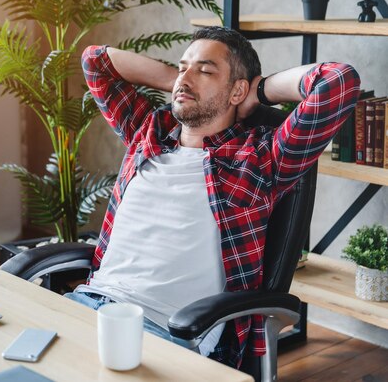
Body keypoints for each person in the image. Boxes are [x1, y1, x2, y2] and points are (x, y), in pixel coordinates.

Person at [66, 26, 360, 368]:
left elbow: (339, 81)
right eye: (182, 67)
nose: (186, 77)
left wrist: (259, 89)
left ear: (237, 91)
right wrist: (180, 81)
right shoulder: (148, 131)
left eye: (206, 70)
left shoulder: (259, 158)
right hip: (86, 305)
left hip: (166, 333)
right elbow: (95, 62)